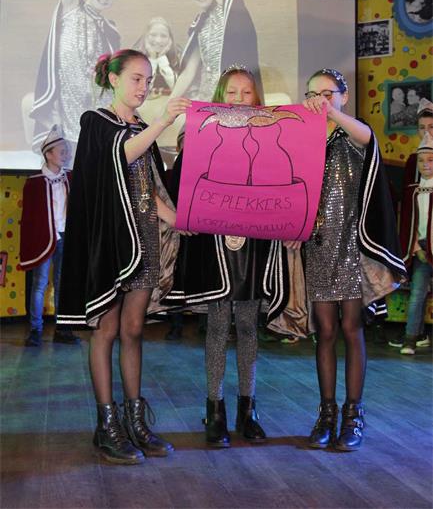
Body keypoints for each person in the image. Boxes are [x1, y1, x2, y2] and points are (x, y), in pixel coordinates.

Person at [56, 49, 191, 464]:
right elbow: (121, 156)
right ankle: (107, 425)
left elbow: (148, 189)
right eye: (136, 78)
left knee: (134, 330)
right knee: (107, 330)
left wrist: (179, 219)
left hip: (144, 241)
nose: (143, 87)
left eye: (148, 80)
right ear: (113, 79)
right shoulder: (95, 122)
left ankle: (135, 420)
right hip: (111, 243)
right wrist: (165, 122)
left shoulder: (142, 128)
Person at [166, 65, 290, 448]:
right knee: (218, 327)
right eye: (231, 92)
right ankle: (215, 409)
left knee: (249, 326)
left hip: (254, 244)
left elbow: (283, 180)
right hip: (216, 245)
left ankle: (248, 408)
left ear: (257, 97)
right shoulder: (200, 135)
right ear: (220, 97)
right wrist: (183, 214)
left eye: (246, 92)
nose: (238, 99)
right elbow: (180, 184)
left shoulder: (273, 134)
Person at [300, 68, 406, 452]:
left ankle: (353, 414)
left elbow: (369, 138)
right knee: (325, 330)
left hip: (351, 247)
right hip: (319, 246)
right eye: (313, 93)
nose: (320, 99)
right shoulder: (305, 140)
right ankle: (326, 413)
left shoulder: (354, 135)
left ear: (343, 96)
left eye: (328, 93)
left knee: (351, 327)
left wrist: (331, 113)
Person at [30, 0, 138, 153]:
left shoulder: (110, 30)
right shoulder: (71, 8)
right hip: (67, 101)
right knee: (69, 156)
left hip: (95, 102)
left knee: (96, 153)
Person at [142, 0, 263, 103]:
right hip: (208, 101)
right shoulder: (200, 24)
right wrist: (168, 106)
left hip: (235, 101)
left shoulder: (228, 9)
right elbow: (189, 72)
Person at [20, 126, 81, 347]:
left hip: (65, 237)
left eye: (67, 150)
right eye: (62, 151)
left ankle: (62, 329)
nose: (66, 154)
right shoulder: (34, 183)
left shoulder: (70, 178)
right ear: (48, 154)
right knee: (40, 284)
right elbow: (30, 220)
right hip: (45, 240)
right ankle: (35, 330)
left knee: (62, 284)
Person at [388, 98, 433, 350]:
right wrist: (414, 246)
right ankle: (412, 336)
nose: (426, 132)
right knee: (418, 292)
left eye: (431, 127)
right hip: (421, 245)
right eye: (422, 127)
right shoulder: (413, 164)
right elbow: (409, 212)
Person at [134, 17, 179, 96]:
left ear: (170, 39)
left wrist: (162, 60)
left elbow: (177, 89)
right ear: (146, 36)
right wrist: (153, 59)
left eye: (163, 36)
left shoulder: (177, 55)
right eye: (153, 35)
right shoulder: (135, 57)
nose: (158, 40)